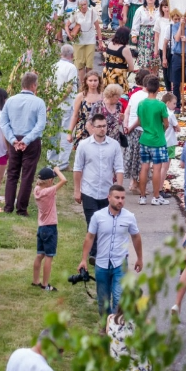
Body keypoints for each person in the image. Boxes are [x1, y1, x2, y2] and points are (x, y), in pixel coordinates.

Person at [78, 185, 143, 321]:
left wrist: (139, 258)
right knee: (103, 300)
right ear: (109, 198)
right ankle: (105, 325)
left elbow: (136, 236)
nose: (120, 201)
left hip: (120, 264)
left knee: (118, 298)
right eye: (117, 197)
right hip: (101, 264)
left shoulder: (129, 217)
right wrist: (84, 259)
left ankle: (115, 327)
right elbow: (90, 237)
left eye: (123, 198)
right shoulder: (98, 216)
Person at [1, 72, 48, 216]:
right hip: (31, 141)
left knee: (12, 173)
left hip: (15, 139)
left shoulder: (10, 101)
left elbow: (4, 123)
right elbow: (40, 125)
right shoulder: (39, 102)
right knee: (27, 174)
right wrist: (26, 140)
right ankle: (21, 208)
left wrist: (13, 140)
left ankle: (8, 206)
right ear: (34, 85)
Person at [73, 112, 125, 242]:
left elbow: (119, 168)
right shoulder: (84, 145)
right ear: (93, 127)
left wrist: (119, 190)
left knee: (106, 224)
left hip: (106, 191)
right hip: (89, 191)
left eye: (104, 126)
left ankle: (102, 251)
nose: (102, 129)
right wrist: (76, 190)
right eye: (99, 126)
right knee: (92, 224)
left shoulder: (114, 145)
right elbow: (78, 168)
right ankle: (94, 254)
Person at [133, 77, 170, 206]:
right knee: (157, 169)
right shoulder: (161, 105)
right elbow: (166, 124)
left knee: (144, 168)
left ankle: (142, 196)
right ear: (158, 89)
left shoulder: (142, 103)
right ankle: (156, 196)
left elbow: (140, 121)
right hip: (158, 140)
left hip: (145, 138)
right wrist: (160, 131)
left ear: (147, 88)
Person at [33, 166, 67, 291]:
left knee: (40, 255)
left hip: (41, 227)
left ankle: (35, 280)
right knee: (49, 256)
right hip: (50, 227)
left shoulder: (37, 190)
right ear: (50, 181)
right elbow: (64, 180)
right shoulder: (48, 191)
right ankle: (45, 284)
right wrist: (57, 170)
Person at [68, 0, 103, 82]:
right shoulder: (75, 13)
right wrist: (69, 35)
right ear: (78, 6)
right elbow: (67, 25)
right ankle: (83, 85)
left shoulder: (92, 12)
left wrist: (100, 41)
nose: (83, 7)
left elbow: (97, 27)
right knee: (80, 65)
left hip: (90, 40)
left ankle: (89, 83)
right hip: (78, 41)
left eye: (85, 4)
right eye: (81, 5)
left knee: (89, 64)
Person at [68, 71, 103, 148]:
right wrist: (69, 133)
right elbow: (75, 115)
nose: (93, 83)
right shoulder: (81, 96)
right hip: (82, 128)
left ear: (99, 81)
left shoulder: (103, 96)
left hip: (98, 128)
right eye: (90, 80)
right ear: (86, 82)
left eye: (95, 80)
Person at [168, 11, 186, 112]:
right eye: (183, 16)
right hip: (177, 55)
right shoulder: (175, 26)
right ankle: (177, 105)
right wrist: (181, 26)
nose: (185, 18)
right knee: (176, 83)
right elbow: (177, 38)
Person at [131, 0, 161, 72]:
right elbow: (136, 23)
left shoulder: (159, 9)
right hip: (144, 34)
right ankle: (145, 74)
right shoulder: (140, 9)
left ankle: (154, 75)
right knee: (145, 57)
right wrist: (134, 35)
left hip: (156, 34)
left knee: (155, 56)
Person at [101, 27, 135, 93]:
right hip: (118, 76)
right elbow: (131, 68)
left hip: (107, 72)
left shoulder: (110, 44)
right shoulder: (125, 49)